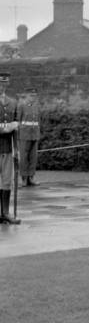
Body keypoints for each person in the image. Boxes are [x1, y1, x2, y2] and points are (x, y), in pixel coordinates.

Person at [0, 72, 20, 224]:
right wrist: (7, 127)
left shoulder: (13, 102)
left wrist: (17, 149)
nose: (2, 86)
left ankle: (5, 213)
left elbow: (16, 128)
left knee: (6, 180)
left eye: (4, 84)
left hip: (7, 148)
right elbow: (11, 126)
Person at [17, 87, 41, 186]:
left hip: (34, 134)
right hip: (24, 134)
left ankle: (31, 177)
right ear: (26, 95)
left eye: (35, 96)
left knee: (33, 157)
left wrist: (38, 132)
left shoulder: (37, 106)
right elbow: (18, 120)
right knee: (24, 157)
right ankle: (24, 178)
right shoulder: (21, 105)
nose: (33, 97)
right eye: (31, 96)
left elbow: (39, 120)